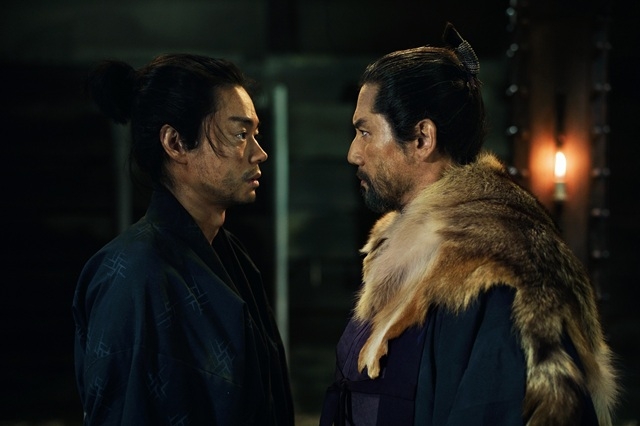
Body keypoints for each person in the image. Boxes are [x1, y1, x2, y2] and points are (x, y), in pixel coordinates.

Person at [320, 23, 618, 425]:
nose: (354, 153)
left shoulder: (495, 269)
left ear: (422, 138)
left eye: (364, 132)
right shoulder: (403, 253)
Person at [73, 54, 294, 425]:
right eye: (241, 135)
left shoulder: (229, 255)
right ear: (175, 143)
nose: (260, 153)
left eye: (255, 134)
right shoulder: (135, 274)